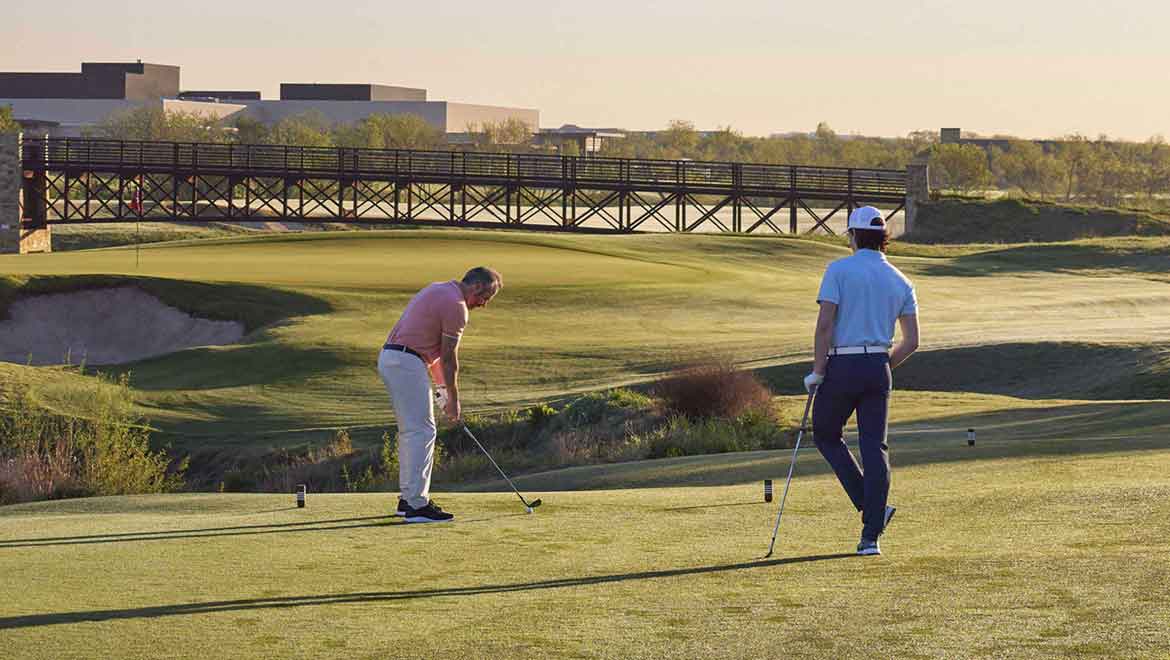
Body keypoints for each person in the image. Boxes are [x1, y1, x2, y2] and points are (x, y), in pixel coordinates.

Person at [803, 206, 920, 556]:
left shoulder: (838, 270)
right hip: (878, 366)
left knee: (825, 433)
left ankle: (870, 508)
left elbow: (825, 326)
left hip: (841, 365)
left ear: (853, 236)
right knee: (874, 447)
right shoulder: (901, 280)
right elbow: (912, 341)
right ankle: (871, 535)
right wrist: (882, 367)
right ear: (883, 237)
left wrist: (818, 371)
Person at [378, 266, 502, 523]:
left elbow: (434, 358)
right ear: (476, 286)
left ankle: (408, 500)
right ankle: (416, 505)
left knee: (412, 431)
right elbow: (448, 359)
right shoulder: (457, 306)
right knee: (422, 431)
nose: (483, 304)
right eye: (485, 297)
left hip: (395, 358)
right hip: (405, 361)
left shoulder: (438, 289)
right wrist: (454, 401)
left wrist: (443, 394)